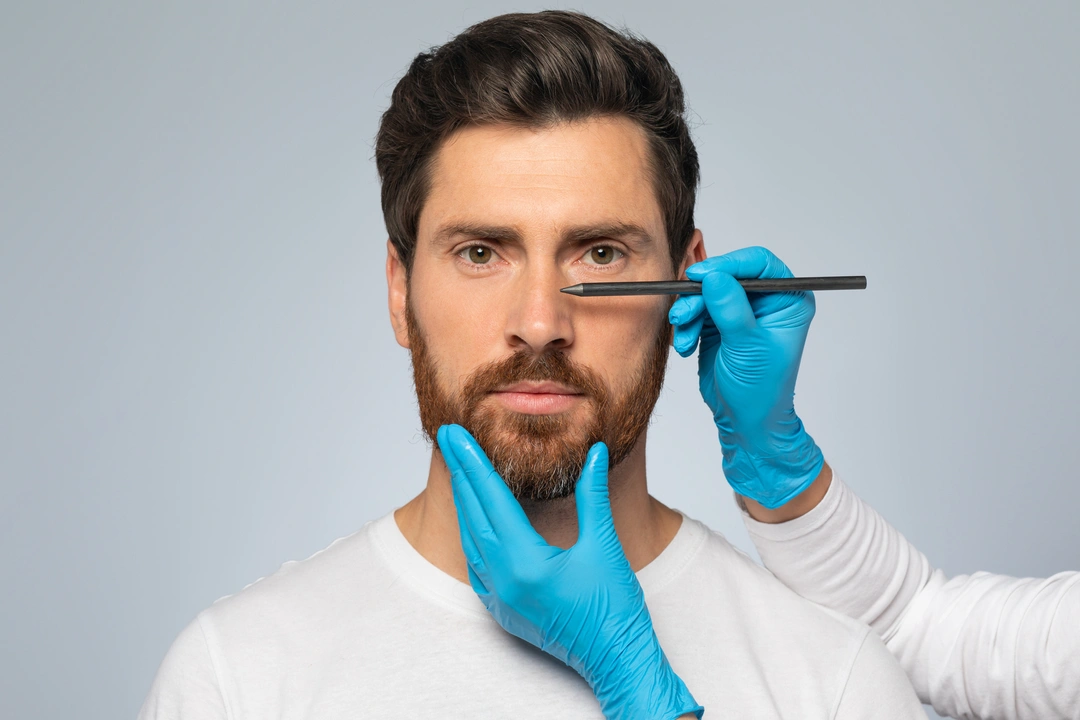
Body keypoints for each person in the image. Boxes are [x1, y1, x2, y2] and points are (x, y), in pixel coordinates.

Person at [139, 10, 927, 719]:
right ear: (398, 290)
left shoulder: (835, 685)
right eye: (481, 253)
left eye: (603, 253)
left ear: (688, 285)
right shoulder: (237, 680)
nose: (541, 325)